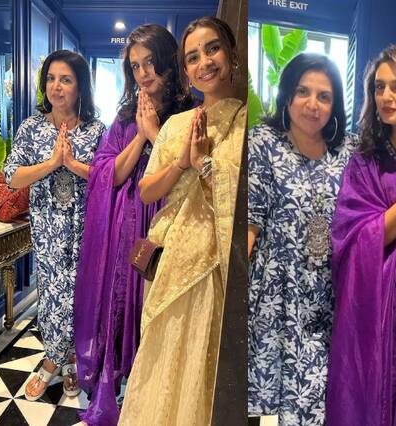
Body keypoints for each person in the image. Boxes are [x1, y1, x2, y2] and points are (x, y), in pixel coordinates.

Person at [117, 16, 245, 425]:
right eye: (193, 57)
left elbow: (243, 198)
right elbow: (147, 190)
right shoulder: (175, 124)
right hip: (169, 260)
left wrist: (205, 161)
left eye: (212, 49)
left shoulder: (248, 125)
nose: (204, 62)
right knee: (162, 368)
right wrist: (183, 164)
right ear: (185, 70)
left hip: (212, 267)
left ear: (232, 55)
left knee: (199, 371)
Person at [73, 24, 193, 425]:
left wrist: (156, 132)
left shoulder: (190, 114)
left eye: (151, 62)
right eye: (136, 66)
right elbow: (109, 174)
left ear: (169, 62)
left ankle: (156, 393)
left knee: (158, 304)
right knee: (124, 301)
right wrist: (140, 136)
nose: (144, 73)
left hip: (169, 221)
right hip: (127, 228)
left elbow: (190, 171)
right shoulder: (125, 118)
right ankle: (125, 386)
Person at [247, 53, 358, 425]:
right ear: (287, 96)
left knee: (318, 396)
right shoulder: (264, 142)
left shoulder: (348, 150)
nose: (313, 104)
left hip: (328, 292)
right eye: (303, 92)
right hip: (277, 291)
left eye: (324, 96)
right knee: (273, 398)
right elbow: (250, 225)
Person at [4, 50, 105, 401]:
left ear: (80, 87)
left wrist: (73, 164)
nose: (56, 87)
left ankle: (71, 359)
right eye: (50, 78)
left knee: (79, 296)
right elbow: (12, 177)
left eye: (65, 79)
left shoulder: (96, 130)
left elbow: (108, 178)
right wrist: (51, 163)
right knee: (51, 295)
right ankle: (53, 359)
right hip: (47, 229)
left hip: (85, 229)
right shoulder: (31, 127)